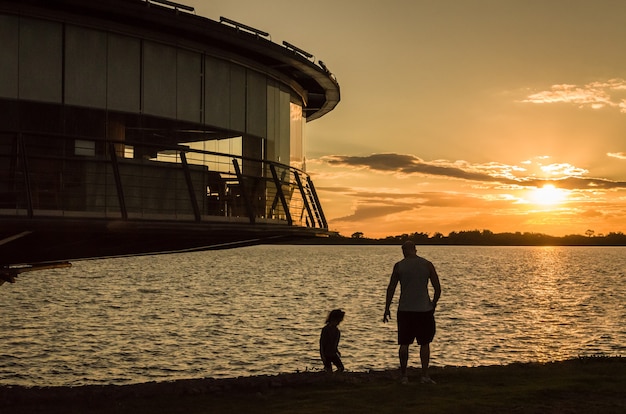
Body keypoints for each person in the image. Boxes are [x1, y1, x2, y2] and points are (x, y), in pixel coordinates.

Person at [383, 240, 441, 384]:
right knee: (425, 343)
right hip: (424, 309)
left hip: (405, 309)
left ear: (404, 250)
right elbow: (437, 288)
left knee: (404, 343)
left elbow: (391, 288)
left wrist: (387, 308)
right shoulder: (427, 264)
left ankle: (404, 376)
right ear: (415, 249)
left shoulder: (399, 266)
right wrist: (433, 303)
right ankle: (424, 375)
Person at [319, 309, 345, 373]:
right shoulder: (326, 330)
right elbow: (322, 344)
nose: (339, 323)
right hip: (326, 354)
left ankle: (334, 377)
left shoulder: (337, 331)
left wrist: (337, 351)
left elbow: (335, 344)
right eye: (338, 321)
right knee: (328, 370)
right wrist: (322, 355)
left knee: (341, 368)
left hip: (333, 354)